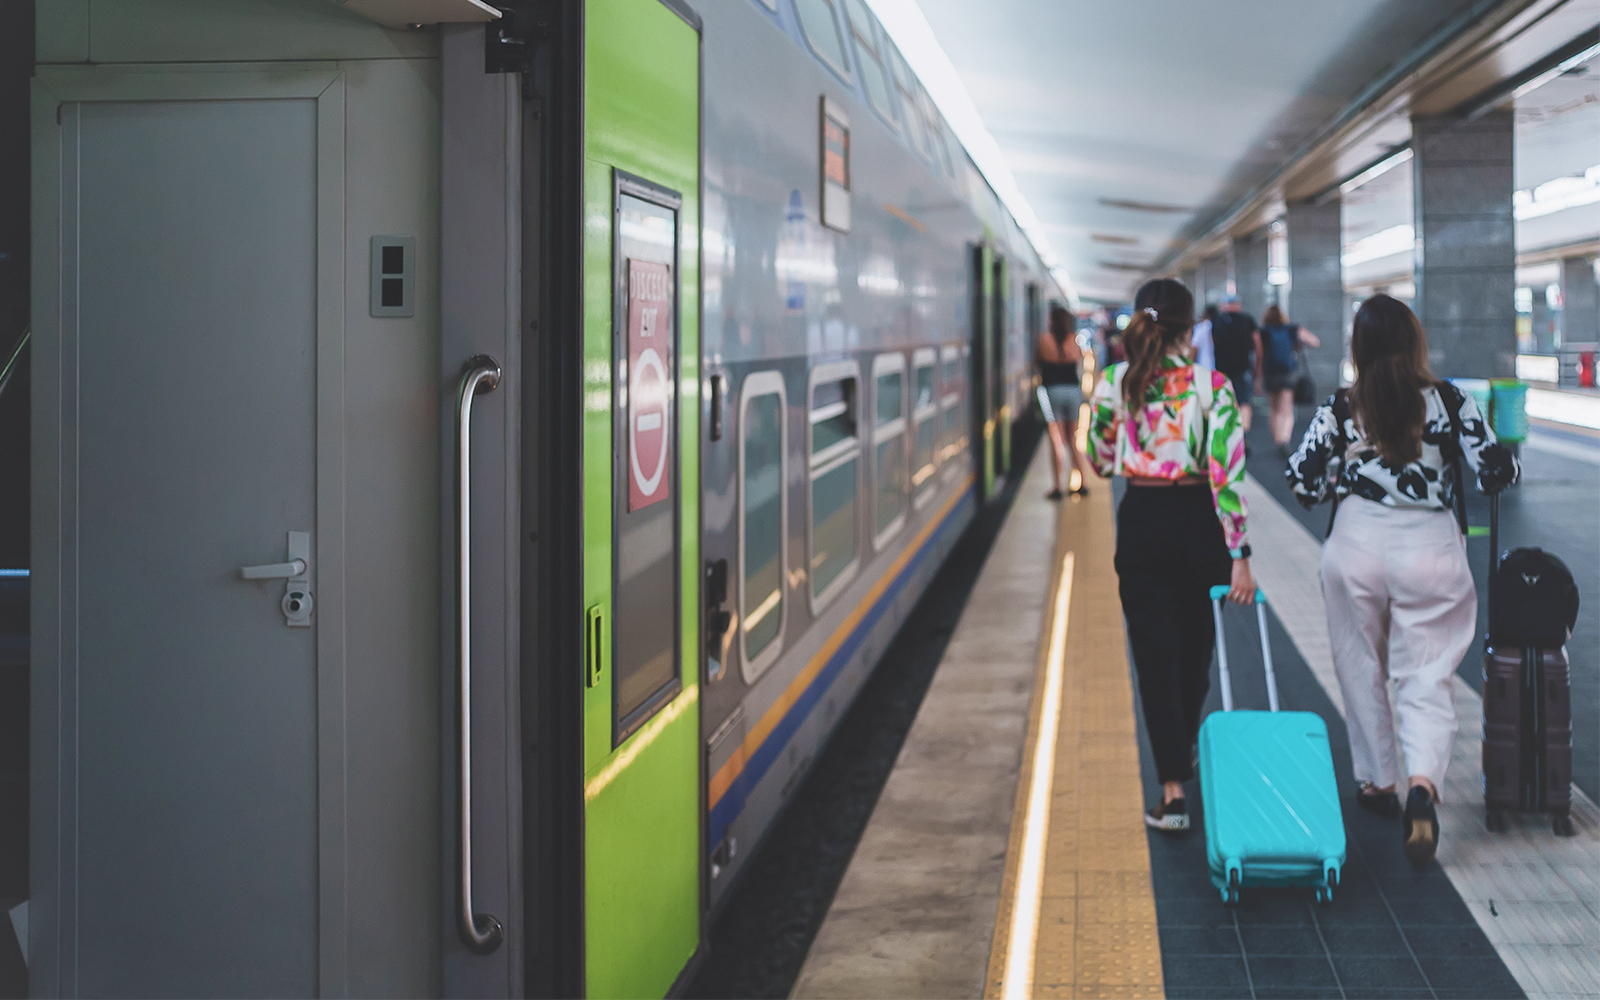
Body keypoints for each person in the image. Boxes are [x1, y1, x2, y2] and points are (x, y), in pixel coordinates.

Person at [1285, 294, 1518, 867]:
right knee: (1428, 672)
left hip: (1357, 547)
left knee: (1360, 663)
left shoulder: (1342, 406)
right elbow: (1497, 472)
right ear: (1416, 343)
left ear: (1357, 348)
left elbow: (1305, 485)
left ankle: (1378, 781)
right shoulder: (1450, 400)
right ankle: (1423, 785)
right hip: (1430, 547)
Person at [1089, 278, 1255, 832]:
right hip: (1200, 524)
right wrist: (1240, 553)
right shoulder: (1213, 387)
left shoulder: (1116, 381)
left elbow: (1101, 460)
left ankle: (1172, 791)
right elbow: (1227, 475)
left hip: (1142, 521)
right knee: (1194, 655)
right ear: (1191, 330)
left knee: (1154, 659)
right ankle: (1181, 746)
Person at [1038, 304, 1095, 499]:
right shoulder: (1074, 340)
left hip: (1052, 391)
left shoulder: (1045, 340)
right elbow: (1078, 362)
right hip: (1073, 391)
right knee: (1073, 439)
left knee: (1057, 440)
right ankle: (1083, 483)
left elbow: (1039, 361)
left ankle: (1057, 486)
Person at [1258, 304, 1322, 458]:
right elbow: (1315, 341)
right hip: (1288, 373)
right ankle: (1284, 439)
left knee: (1273, 409)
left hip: (1270, 373)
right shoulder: (1291, 329)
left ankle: (1277, 439)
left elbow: (1259, 355)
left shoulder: (1264, 331)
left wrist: (1257, 375)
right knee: (1286, 410)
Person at [1210, 295, 1262, 433]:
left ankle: (1230, 431)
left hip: (1222, 368)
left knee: (1225, 400)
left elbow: (1213, 342)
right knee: (1244, 401)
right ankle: (1243, 431)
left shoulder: (1217, 321)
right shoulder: (1247, 320)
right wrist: (1258, 368)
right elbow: (1257, 345)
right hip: (1243, 367)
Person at [1191, 304, 1218, 369]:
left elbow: (1194, 347)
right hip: (1218, 365)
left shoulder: (1200, 328)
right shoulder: (1219, 326)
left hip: (1203, 365)